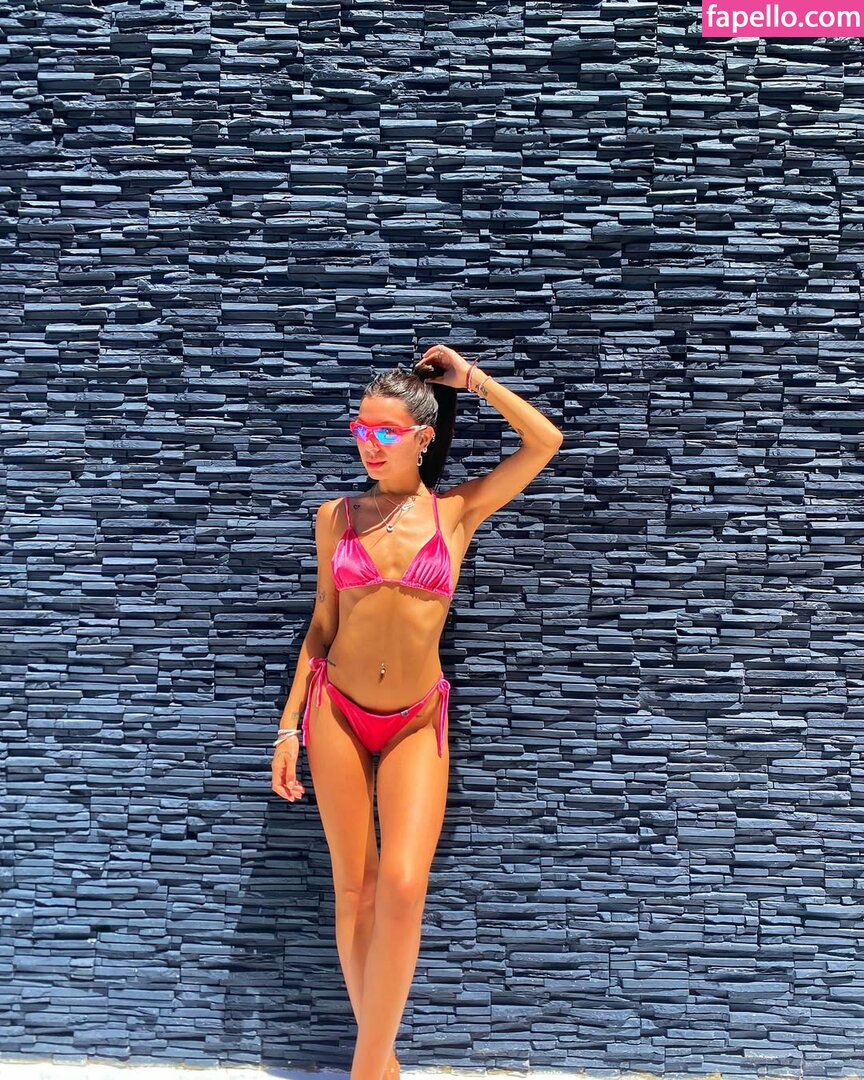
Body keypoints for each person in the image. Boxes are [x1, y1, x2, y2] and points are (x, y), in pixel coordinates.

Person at [271, 345, 564, 1080]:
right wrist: (288, 726)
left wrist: (474, 380)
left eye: (386, 432)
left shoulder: (457, 512)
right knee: (355, 888)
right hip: (336, 711)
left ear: (423, 437)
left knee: (403, 887)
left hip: (414, 718)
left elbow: (545, 442)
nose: (369, 445)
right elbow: (321, 625)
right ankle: (377, 1068)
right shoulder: (336, 517)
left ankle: (370, 1067)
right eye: (360, 430)